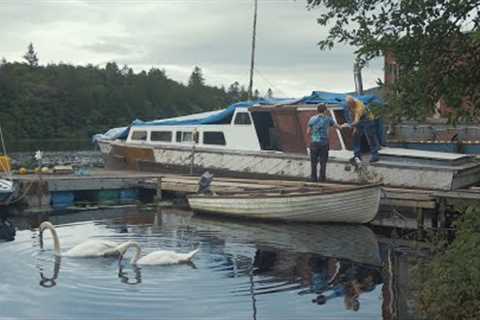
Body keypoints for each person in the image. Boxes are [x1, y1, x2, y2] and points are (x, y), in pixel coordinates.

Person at [307, 104, 342, 182]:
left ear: (317, 110)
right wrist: (344, 125)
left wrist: (315, 134)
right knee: (323, 162)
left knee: (313, 162)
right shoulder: (328, 119)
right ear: (325, 110)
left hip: (314, 143)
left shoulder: (312, 119)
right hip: (324, 144)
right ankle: (322, 179)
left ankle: (313, 179)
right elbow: (338, 127)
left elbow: (308, 132)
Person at [342, 96, 380, 163]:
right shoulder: (348, 105)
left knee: (370, 137)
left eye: (350, 104)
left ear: (353, 102)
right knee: (355, 137)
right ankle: (357, 156)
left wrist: (349, 125)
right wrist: (354, 127)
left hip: (368, 120)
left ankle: (375, 155)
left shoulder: (359, 107)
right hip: (359, 120)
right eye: (348, 104)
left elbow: (356, 120)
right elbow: (351, 116)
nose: (349, 106)